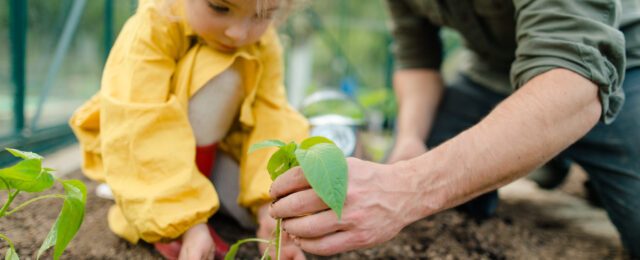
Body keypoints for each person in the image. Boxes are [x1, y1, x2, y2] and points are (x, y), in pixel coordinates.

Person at [269, 0, 640, 258]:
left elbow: (572, 84)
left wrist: (409, 187)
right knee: (428, 173)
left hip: (610, 71)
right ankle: (546, 157)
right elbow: (417, 58)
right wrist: (410, 141)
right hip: (490, 75)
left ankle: (555, 150)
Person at [69, 0, 308, 259]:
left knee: (252, 216)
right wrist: (186, 223)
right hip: (142, 154)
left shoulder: (265, 42)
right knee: (220, 76)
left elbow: (271, 118)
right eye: (220, 8)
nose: (238, 33)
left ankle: (199, 195)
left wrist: (269, 206)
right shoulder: (153, 25)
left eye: (263, 16)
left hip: (215, 152)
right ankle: (164, 202)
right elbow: (140, 125)